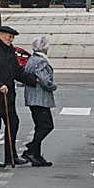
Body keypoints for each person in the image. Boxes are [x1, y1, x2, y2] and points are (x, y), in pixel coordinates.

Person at [0, 25, 39, 167]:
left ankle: (11, 156)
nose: (11, 39)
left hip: (7, 98)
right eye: (9, 37)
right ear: (1, 35)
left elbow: (17, 71)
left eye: (12, 37)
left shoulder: (10, 51)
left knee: (13, 124)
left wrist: (34, 80)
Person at [21, 35, 57, 167]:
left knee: (39, 127)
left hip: (33, 98)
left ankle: (36, 155)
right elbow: (45, 81)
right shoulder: (41, 61)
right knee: (47, 126)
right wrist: (52, 86)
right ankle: (31, 149)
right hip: (39, 99)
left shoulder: (32, 59)